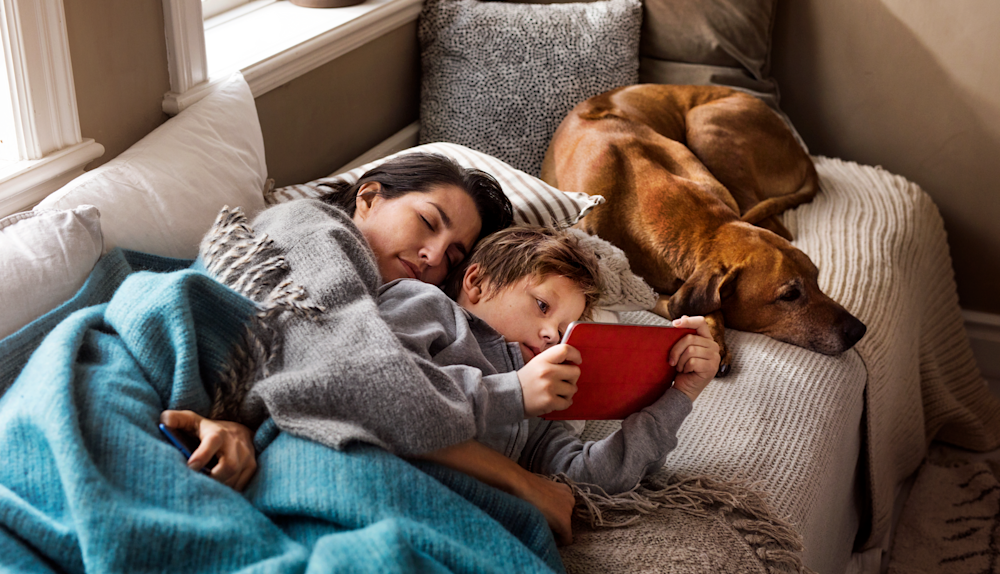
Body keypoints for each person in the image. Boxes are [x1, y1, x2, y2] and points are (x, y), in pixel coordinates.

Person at [160, 152, 580, 542]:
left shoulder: (375, 299)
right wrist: (519, 472)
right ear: (370, 197)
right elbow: (362, 380)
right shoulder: (314, 227)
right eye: (428, 222)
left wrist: (239, 427)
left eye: (454, 255)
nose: (433, 256)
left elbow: (303, 372)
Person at [377, 226, 721, 499]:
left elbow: (593, 477)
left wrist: (680, 395)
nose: (552, 337)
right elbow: (388, 387)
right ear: (477, 282)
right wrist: (515, 392)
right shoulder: (423, 303)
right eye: (542, 305)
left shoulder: (538, 409)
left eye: (564, 330)